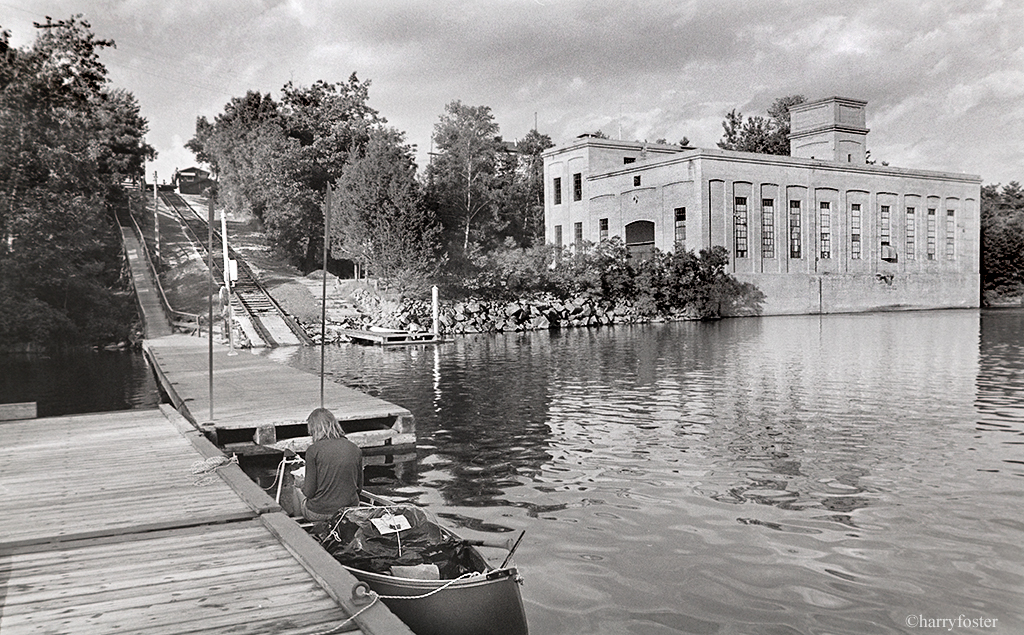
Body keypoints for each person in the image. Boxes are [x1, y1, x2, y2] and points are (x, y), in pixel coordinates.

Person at [290, 407, 363, 521]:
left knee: (296, 488)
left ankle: (302, 528)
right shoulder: (355, 448)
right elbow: (359, 488)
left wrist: (301, 484)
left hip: (320, 512)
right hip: (349, 512)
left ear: (314, 429)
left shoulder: (313, 450)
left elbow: (309, 492)